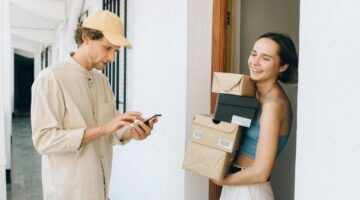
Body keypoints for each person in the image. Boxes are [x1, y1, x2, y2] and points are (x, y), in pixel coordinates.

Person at [31, 10, 158, 200]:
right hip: (68, 193)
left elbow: (111, 131)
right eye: (107, 48)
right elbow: (44, 140)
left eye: (115, 51)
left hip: (100, 192)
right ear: (87, 38)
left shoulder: (103, 82)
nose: (112, 58)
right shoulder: (51, 79)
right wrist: (103, 128)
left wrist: (133, 131)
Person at [212, 32, 298, 200]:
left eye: (266, 58)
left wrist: (222, 180)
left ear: (282, 66)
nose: (255, 62)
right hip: (238, 185)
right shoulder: (256, 96)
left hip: (249, 190)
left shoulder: (274, 105)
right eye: (254, 54)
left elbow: (261, 172)